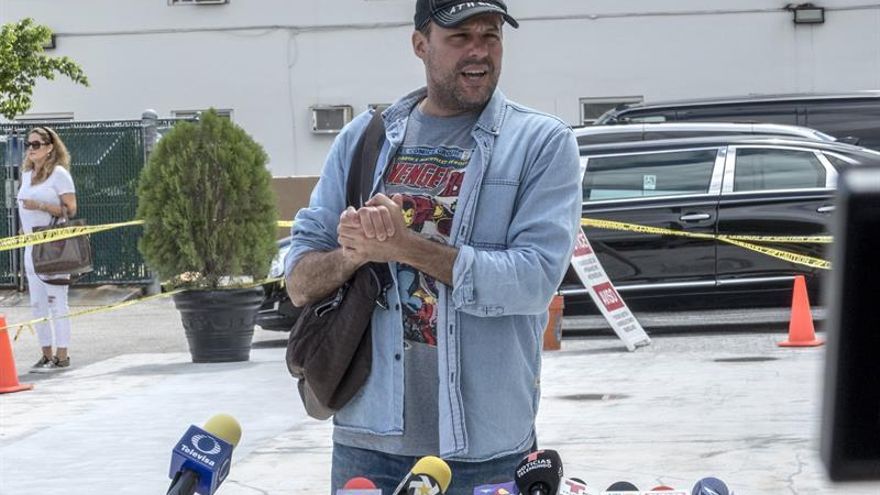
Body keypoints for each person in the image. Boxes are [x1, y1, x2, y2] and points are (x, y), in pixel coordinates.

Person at [285, 1, 582, 493]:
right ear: (420, 45)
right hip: (368, 438)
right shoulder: (364, 139)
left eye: (490, 36)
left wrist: (405, 247)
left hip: (485, 446)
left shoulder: (540, 143)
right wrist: (356, 253)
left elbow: (533, 281)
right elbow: (299, 280)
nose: (479, 51)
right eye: (460, 37)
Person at [17, 126, 78, 372]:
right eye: (28, 144)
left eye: (36, 144)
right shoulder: (27, 175)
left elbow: (70, 209)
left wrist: (40, 205)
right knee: (36, 303)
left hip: (53, 244)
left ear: (50, 147)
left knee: (56, 300)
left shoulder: (59, 174)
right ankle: (45, 353)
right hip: (30, 245)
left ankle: (62, 356)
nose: (31, 149)